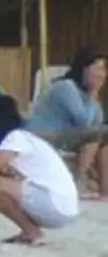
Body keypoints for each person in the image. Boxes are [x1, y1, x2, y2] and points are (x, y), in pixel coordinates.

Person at [0, 91, 82, 244]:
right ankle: (30, 231)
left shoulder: (15, 138)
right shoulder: (10, 143)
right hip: (60, 205)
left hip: (56, 203)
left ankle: (31, 232)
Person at [25, 48, 107, 198]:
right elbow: (85, 123)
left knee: (103, 138)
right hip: (43, 134)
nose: (101, 74)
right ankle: (79, 183)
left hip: (63, 135)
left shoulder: (86, 93)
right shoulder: (65, 87)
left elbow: (98, 120)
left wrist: (94, 96)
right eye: (97, 68)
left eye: (103, 70)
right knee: (95, 135)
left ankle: (105, 190)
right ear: (84, 69)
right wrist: (94, 92)